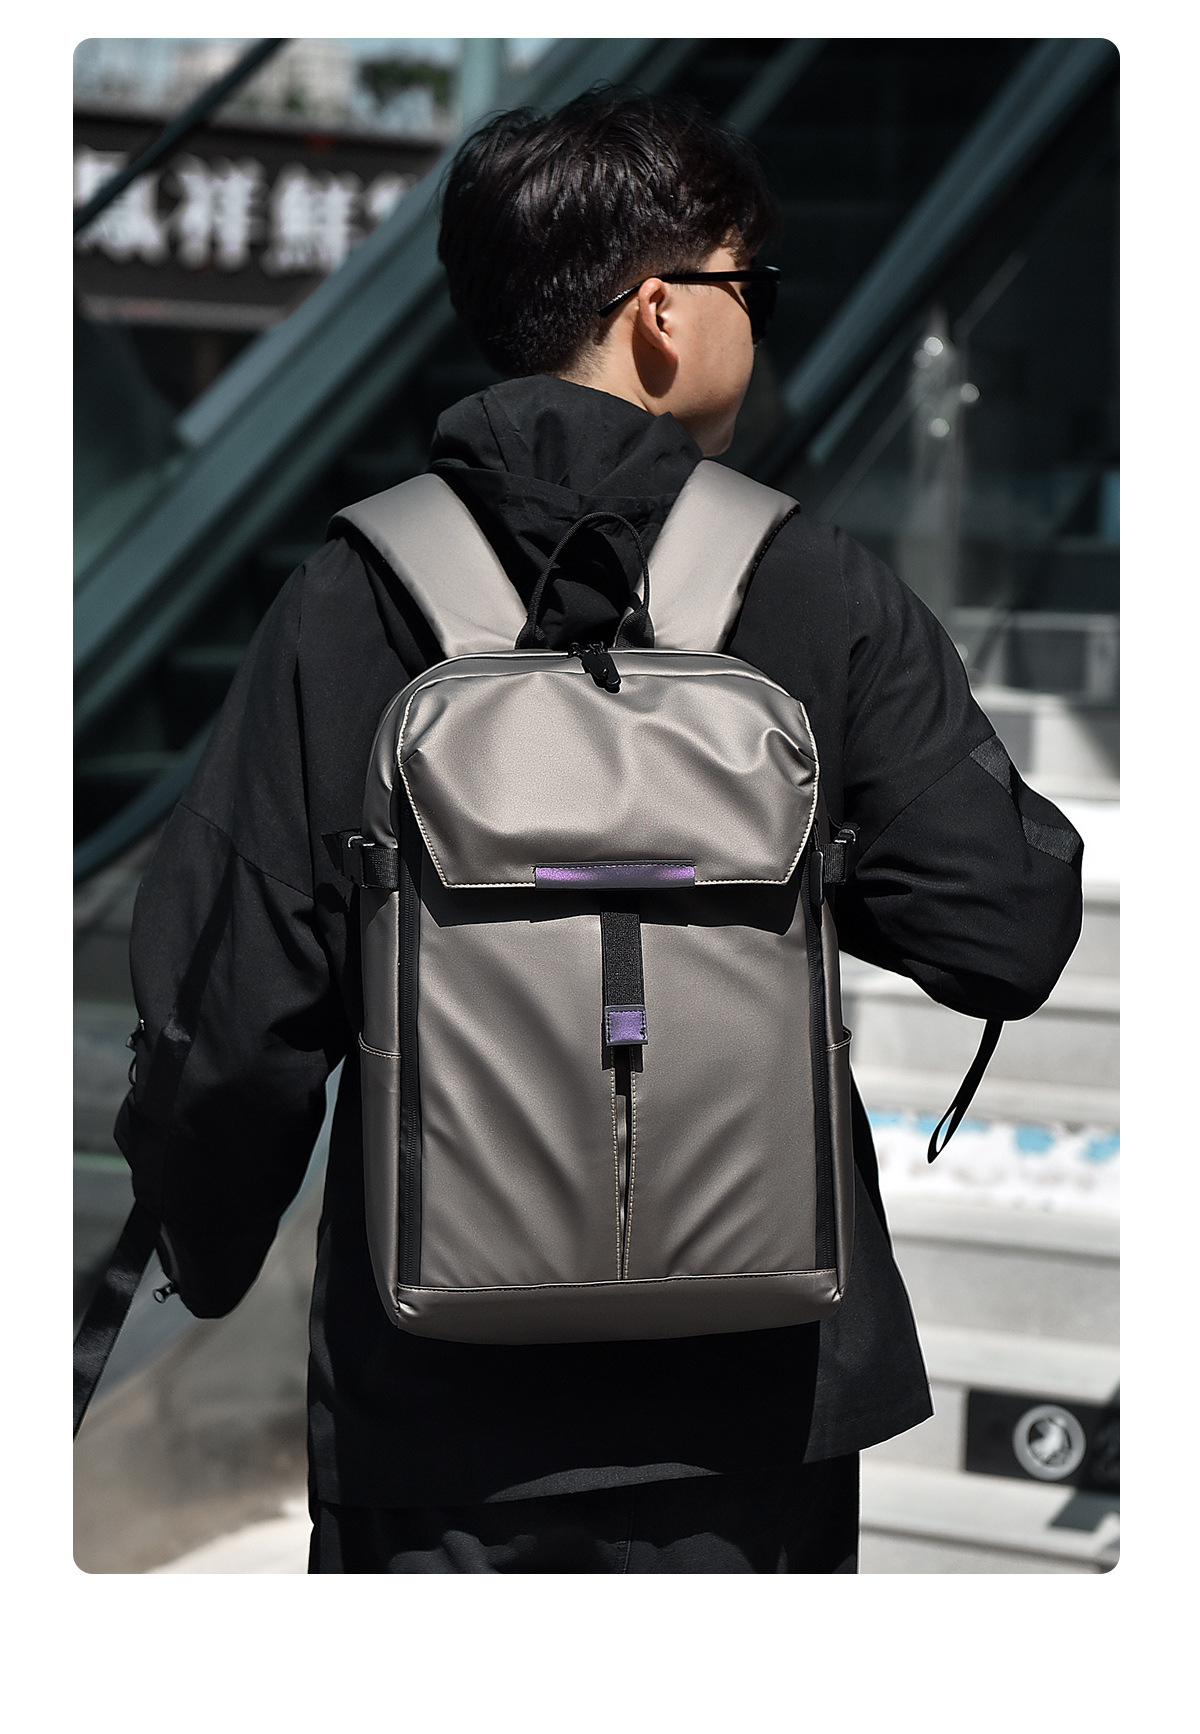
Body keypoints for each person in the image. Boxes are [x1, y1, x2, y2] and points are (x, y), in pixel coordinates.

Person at [115, 90, 1084, 1574]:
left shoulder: (349, 599)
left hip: (433, 1419)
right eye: (752, 284)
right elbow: (1003, 928)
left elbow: (235, 1019)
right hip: (755, 1416)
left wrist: (200, 1244)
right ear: (660, 312)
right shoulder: (811, 587)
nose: (761, 319)